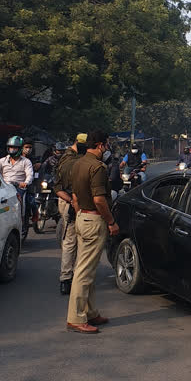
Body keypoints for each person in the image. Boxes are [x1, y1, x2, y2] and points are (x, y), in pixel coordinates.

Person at [66, 130, 119, 334]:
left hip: (82, 217)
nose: (107, 148)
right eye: (106, 144)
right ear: (100, 145)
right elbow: (99, 200)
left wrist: (82, 215)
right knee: (84, 272)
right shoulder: (97, 168)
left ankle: (90, 312)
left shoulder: (78, 163)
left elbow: (75, 195)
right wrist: (111, 221)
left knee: (87, 269)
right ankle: (76, 317)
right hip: (93, 219)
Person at [54, 133, 86, 295]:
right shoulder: (75, 161)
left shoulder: (64, 158)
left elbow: (57, 187)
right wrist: (73, 202)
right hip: (73, 202)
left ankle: (66, 278)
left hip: (66, 200)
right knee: (77, 240)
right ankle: (72, 277)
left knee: (69, 241)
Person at [0, 136, 34, 207]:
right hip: (4, 187)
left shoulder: (26, 161)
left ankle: (24, 216)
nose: (12, 150)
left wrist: (25, 183)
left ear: (20, 149)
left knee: (26, 202)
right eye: (11, 147)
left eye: (15, 148)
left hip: (19, 188)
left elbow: (30, 175)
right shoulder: (2, 161)